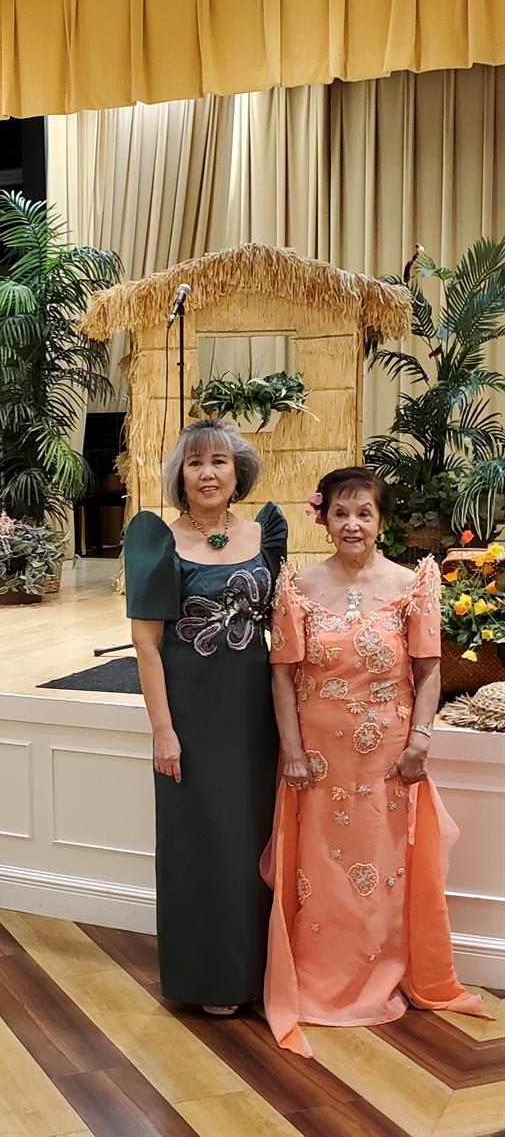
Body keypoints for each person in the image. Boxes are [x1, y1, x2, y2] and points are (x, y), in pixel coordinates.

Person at [262, 466, 487, 1055]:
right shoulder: (298, 586)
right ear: (325, 518)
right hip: (318, 759)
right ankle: (318, 983)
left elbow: (429, 669)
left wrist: (420, 740)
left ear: (381, 520)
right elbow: (282, 676)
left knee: (383, 873)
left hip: (387, 758)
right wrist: (291, 751)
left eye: (364, 513)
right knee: (321, 875)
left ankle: (377, 978)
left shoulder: (413, 583)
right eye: (342, 513)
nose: (353, 524)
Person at [124, 418, 287, 1014]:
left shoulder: (265, 534)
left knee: (252, 840)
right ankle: (210, 980)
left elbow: (280, 626)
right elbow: (146, 647)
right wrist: (163, 732)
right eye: (195, 464)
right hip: (189, 714)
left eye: (219, 461)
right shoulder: (155, 541)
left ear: (237, 470)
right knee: (204, 845)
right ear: (180, 476)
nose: (209, 473)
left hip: (253, 714)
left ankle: (258, 974)